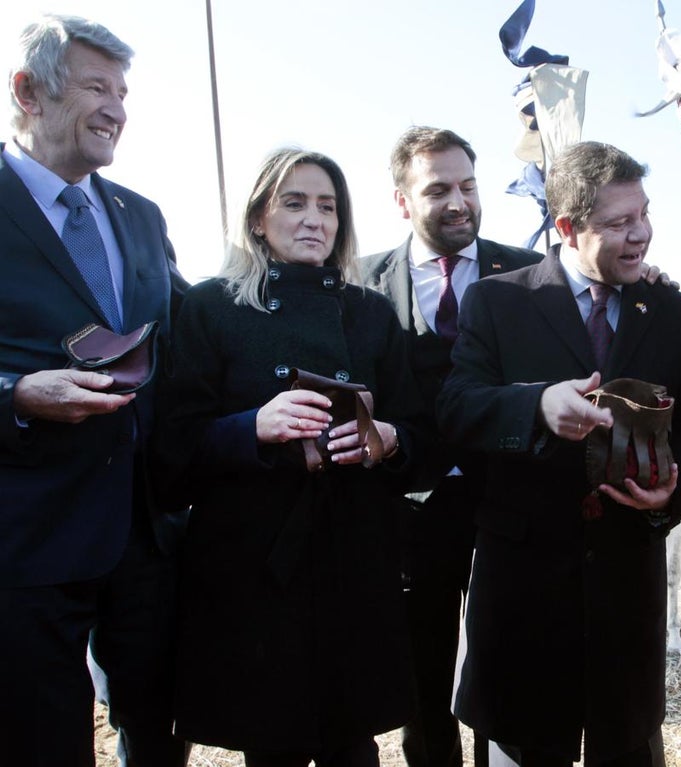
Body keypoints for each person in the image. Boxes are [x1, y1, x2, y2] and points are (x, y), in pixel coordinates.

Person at [437, 140, 681, 767]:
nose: (639, 234)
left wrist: (670, 493)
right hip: (524, 604)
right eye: (619, 223)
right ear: (565, 227)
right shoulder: (498, 300)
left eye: (643, 214)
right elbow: (456, 408)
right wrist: (536, 406)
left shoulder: (672, 313)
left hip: (626, 600)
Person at [158, 149, 427, 766]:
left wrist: (388, 440)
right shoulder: (212, 307)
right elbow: (172, 452)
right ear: (258, 218)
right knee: (272, 745)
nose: (315, 219)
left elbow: (422, 436)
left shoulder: (372, 314)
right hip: (253, 571)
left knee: (353, 744)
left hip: (353, 561)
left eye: (328, 207)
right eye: (295, 202)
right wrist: (252, 426)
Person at [0, 14, 188, 766]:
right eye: (96, 88)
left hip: (144, 533)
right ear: (28, 92)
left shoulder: (139, 216)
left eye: (123, 91)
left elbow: (186, 339)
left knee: (159, 734)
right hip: (25, 543)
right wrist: (14, 394)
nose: (117, 108)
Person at [360, 126, 541, 767]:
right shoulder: (358, 284)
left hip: (510, 506)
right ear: (402, 201)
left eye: (468, 184)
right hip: (409, 511)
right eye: (438, 189)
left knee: (509, 677)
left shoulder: (529, 273)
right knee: (423, 685)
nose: (459, 201)